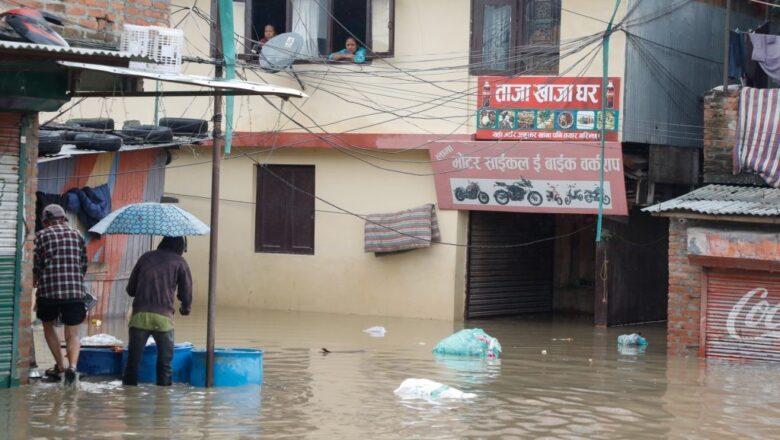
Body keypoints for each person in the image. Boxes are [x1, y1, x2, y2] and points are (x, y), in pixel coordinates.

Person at [122, 236, 192, 386]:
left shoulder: (145, 257)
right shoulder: (180, 262)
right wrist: (185, 308)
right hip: (164, 319)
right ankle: (163, 401)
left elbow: (130, 290)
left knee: (132, 364)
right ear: (180, 247)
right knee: (165, 366)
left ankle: (128, 399)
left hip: (139, 316)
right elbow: (186, 293)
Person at [33, 204, 87, 385]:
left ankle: (60, 366)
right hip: (74, 292)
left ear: (46, 221)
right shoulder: (77, 235)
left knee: (48, 327)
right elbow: (83, 264)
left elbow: (37, 266)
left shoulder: (41, 236)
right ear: (64, 219)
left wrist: (34, 285)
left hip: (48, 292)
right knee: (72, 333)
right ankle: (72, 367)